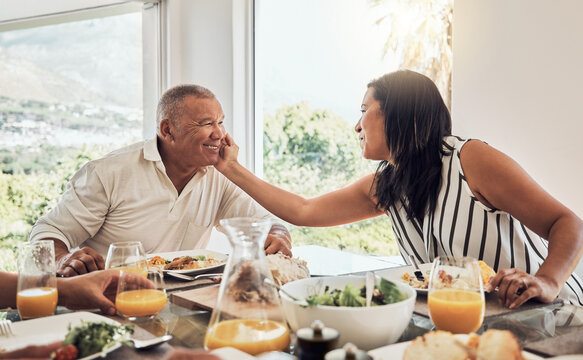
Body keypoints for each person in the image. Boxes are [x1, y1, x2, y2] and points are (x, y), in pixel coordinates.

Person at [215, 69, 583, 308]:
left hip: (547, 316)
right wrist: (230, 167)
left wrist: (547, 281)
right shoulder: (387, 183)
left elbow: (567, 223)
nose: (356, 125)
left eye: (364, 110)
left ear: (400, 114)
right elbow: (303, 211)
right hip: (474, 324)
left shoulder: (471, 159)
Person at [29, 85, 292, 277]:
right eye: (206, 123)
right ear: (168, 130)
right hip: (109, 298)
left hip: (181, 300)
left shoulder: (218, 175)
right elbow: (46, 235)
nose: (220, 134)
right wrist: (63, 258)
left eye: (221, 122)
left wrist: (278, 234)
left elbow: (264, 223)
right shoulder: (108, 172)